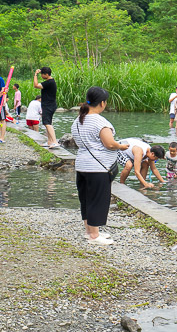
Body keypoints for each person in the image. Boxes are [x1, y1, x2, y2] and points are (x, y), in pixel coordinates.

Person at [71, 86, 129, 246]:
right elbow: (109, 144)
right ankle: (94, 236)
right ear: (102, 103)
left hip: (82, 165)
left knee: (86, 199)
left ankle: (89, 231)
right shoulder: (100, 121)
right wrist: (121, 146)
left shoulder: (78, 120)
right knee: (98, 199)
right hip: (98, 168)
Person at [33, 67, 59, 148]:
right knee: (47, 123)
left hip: (49, 105)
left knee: (47, 123)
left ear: (47, 75)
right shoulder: (50, 82)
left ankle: (55, 142)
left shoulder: (49, 82)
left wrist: (35, 75)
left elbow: (36, 85)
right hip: (49, 105)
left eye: (42, 74)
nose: (41, 76)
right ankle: (49, 142)